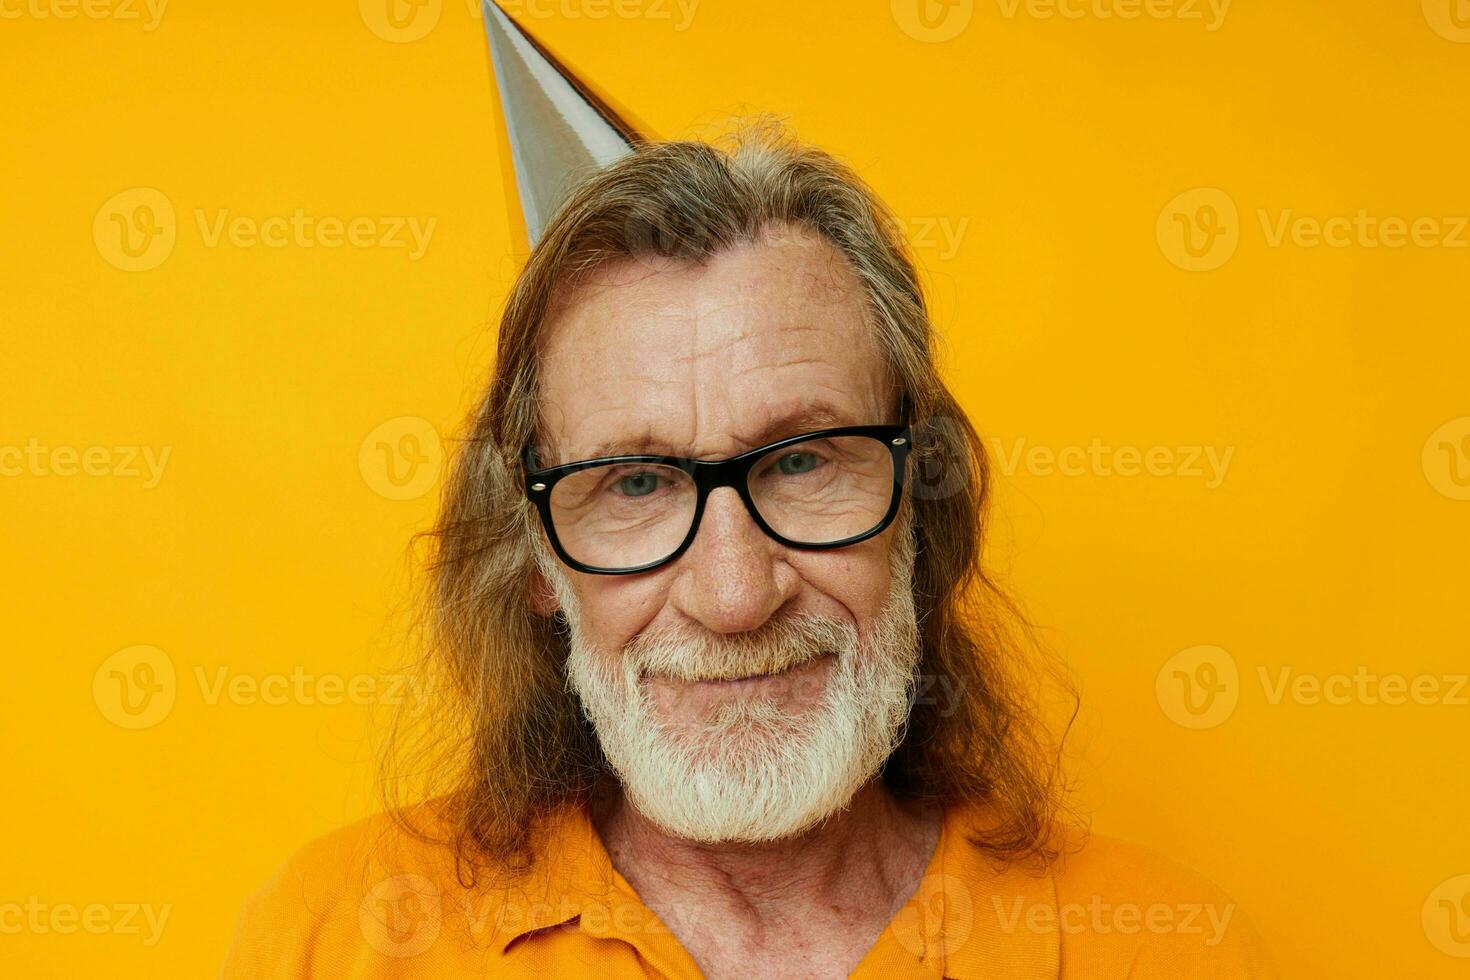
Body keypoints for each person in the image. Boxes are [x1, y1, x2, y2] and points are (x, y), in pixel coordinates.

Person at [222, 123, 1277, 979]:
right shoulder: (335, 939)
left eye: (804, 462)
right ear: (536, 556)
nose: (734, 595)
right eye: (634, 482)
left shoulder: (1169, 948)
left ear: (921, 501)